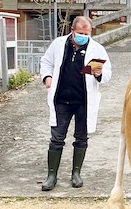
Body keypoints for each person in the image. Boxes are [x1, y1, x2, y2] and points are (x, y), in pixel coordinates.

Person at [38, 16, 111, 191]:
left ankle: (76, 173)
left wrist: (99, 74)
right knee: (57, 138)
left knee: (81, 138)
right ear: (72, 30)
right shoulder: (59, 44)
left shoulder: (97, 49)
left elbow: (107, 74)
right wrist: (47, 77)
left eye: (86, 34)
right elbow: (46, 62)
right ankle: (51, 175)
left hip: (83, 102)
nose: (83, 37)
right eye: (80, 33)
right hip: (61, 100)